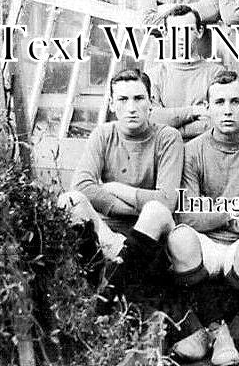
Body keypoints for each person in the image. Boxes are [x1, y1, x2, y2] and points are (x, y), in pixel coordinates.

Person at [166, 71, 239, 365]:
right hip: (206, 243)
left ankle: (205, 333)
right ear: (208, 107)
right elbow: (187, 215)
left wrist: (213, 212)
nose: (227, 110)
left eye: (235, 101)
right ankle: (221, 333)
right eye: (219, 102)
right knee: (178, 238)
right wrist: (232, 211)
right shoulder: (191, 151)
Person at [58, 67, 183, 305]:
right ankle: (107, 269)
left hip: (151, 232)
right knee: (69, 201)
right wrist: (130, 207)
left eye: (138, 98)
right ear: (113, 105)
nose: (131, 107)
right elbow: (82, 185)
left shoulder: (167, 137)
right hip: (108, 231)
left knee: (155, 211)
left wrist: (113, 188)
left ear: (151, 103)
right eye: (123, 100)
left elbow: (167, 200)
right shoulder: (103, 134)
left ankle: (103, 302)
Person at [148, 5, 225, 141]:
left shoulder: (216, 73)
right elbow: (152, 121)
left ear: (200, 32)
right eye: (175, 31)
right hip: (166, 154)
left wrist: (171, 125)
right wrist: (195, 111)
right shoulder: (154, 76)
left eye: (187, 30)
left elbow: (219, 121)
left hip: (205, 154)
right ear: (165, 34)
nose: (181, 37)